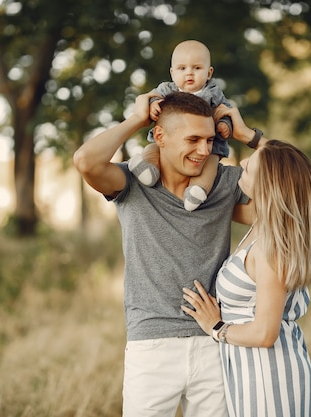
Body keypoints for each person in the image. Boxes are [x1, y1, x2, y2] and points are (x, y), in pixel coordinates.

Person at [73, 91, 258, 417]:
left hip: (213, 342)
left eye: (210, 140)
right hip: (151, 346)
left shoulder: (223, 184)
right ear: (159, 136)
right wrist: (137, 120)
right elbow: (85, 161)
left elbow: (308, 184)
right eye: (193, 139)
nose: (204, 150)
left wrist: (249, 136)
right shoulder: (131, 183)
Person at [181, 127, 311, 416]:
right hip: (252, 372)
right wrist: (247, 136)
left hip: (270, 378)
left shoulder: (273, 249)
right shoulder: (263, 222)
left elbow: (264, 334)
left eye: (251, 167)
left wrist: (217, 328)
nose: (243, 163)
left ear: (267, 186)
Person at [128, 39, 234, 211]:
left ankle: (198, 190)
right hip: (169, 140)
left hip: (210, 143)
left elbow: (226, 110)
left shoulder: (213, 92)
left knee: (210, 164)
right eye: (182, 68)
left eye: (197, 68)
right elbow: (152, 97)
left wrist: (224, 123)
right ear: (172, 73)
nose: (189, 74)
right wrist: (153, 103)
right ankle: (147, 168)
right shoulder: (166, 89)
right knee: (154, 148)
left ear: (209, 72)